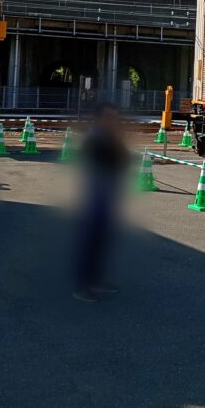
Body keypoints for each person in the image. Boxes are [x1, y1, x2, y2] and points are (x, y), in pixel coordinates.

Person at [74, 101, 130, 303]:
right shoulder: (94, 138)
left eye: (115, 117)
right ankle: (82, 286)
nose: (113, 121)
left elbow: (124, 160)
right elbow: (110, 160)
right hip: (95, 199)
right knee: (90, 243)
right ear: (98, 118)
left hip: (107, 196)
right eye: (109, 117)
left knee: (102, 243)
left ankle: (96, 280)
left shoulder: (108, 137)